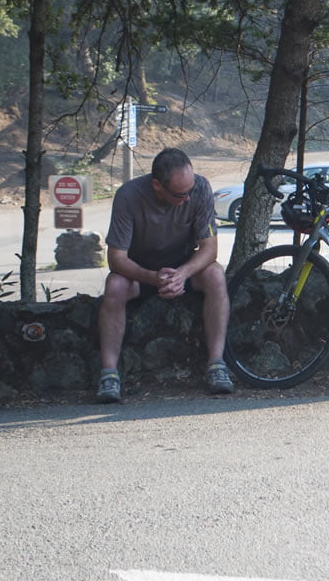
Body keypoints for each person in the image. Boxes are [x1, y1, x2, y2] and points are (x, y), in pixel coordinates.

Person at [96, 147, 233, 402]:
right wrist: (152, 277)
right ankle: (109, 373)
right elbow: (116, 259)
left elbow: (209, 248)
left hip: (183, 266)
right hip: (141, 270)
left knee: (216, 275)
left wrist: (182, 273)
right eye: (181, 195)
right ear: (157, 185)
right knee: (114, 286)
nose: (188, 199)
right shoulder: (128, 196)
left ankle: (217, 364)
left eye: (190, 191)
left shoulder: (200, 189)